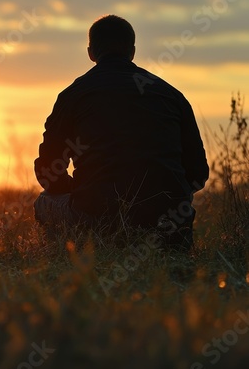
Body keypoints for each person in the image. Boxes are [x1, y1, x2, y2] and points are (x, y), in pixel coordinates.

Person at [33, 15, 209, 250]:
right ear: (133, 51)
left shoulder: (73, 95)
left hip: (96, 223)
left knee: (44, 202)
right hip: (169, 229)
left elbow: (48, 172)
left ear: (90, 52)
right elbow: (197, 174)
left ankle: (68, 262)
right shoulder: (171, 95)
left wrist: (80, 191)